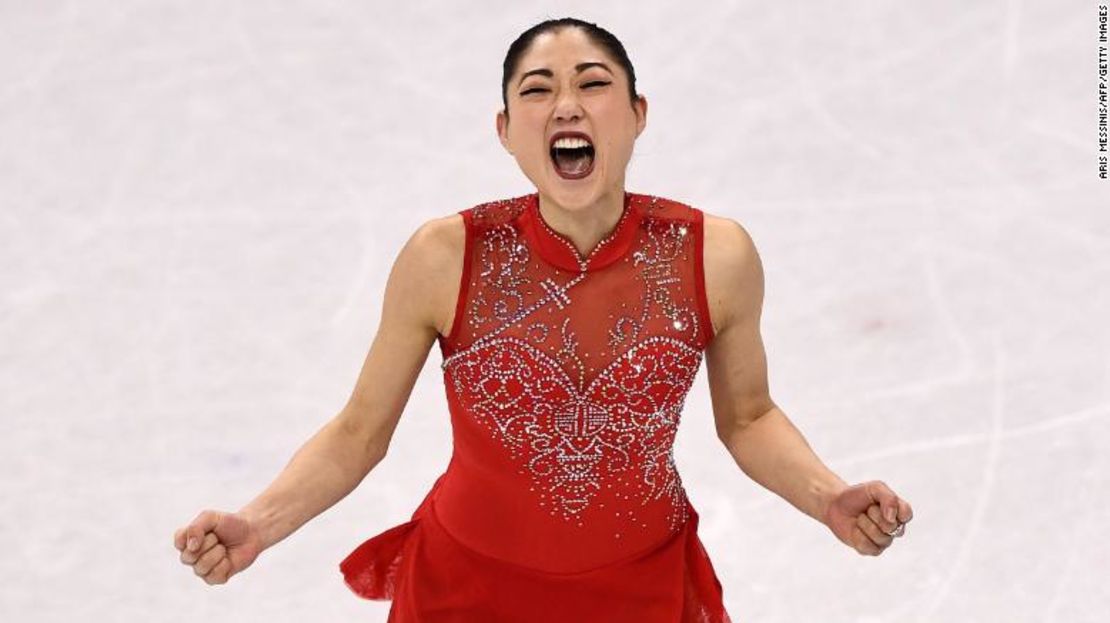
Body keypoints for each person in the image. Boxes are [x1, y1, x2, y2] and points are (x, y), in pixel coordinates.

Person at [173, 17, 913, 621]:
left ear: (637, 114)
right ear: (504, 127)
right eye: (538, 89)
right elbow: (358, 433)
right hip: (466, 596)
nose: (567, 104)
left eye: (593, 83)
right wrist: (259, 524)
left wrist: (828, 498)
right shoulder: (445, 256)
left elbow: (749, 418)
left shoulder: (713, 255)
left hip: (641, 596)